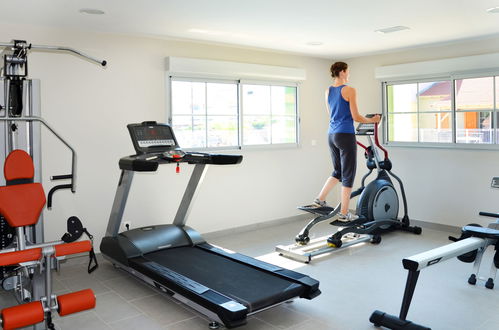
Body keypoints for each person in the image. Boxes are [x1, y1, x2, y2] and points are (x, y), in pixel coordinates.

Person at [312, 62, 381, 222]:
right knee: (348, 174)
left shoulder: (328, 90)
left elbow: (331, 114)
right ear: (342, 72)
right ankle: (344, 213)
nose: (349, 74)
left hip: (331, 134)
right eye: (348, 72)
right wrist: (373, 119)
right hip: (345, 134)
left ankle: (319, 200)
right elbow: (356, 117)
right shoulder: (349, 90)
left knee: (338, 171)